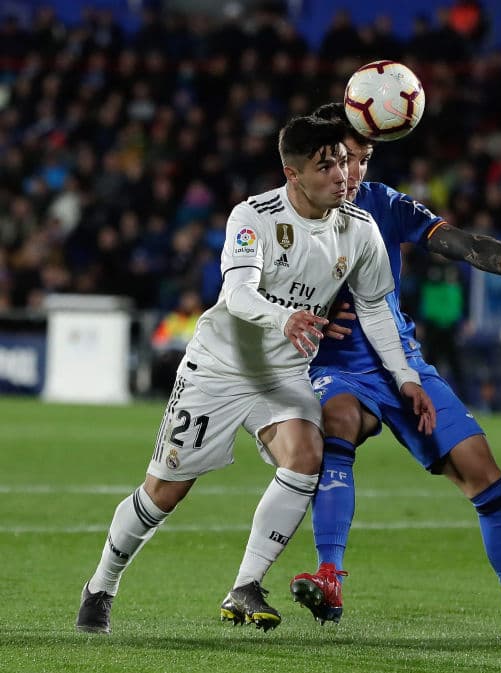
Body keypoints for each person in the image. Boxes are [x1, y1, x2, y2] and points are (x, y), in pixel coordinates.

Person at [76, 115, 436, 634]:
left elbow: (376, 307)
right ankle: (101, 585)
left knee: (306, 454)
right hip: (219, 370)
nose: (342, 175)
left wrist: (405, 376)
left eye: (343, 162)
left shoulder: (359, 228)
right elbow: (239, 293)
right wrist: (284, 317)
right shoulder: (254, 216)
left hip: (283, 374)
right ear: (293, 174)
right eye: (326, 166)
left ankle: (245, 586)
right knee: (163, 493)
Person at [287, 105, 501, 652]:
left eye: (364, 159)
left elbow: (463, 243)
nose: (354, 172)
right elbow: (249, 290)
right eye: (344, 159)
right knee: (337, 420)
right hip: (335, 366)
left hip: (403, 360)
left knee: (484, 473)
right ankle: (329, 574)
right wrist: (304, 313)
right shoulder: (281, 216)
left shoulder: (383, 205)